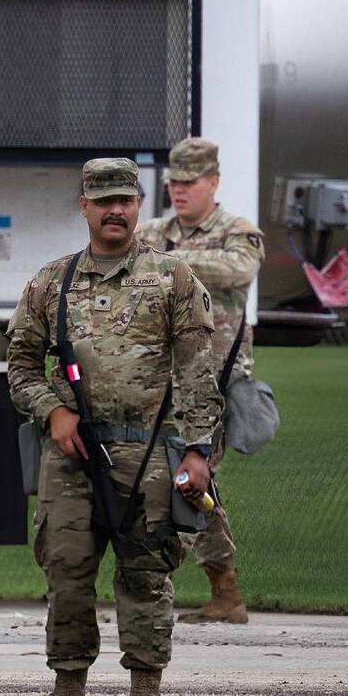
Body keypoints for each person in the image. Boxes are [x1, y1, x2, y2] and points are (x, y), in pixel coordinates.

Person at [6, 159, 222, 696]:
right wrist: (54, 412)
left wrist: (198, 451)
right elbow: (20, 368)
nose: (115, 211)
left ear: (138, 206)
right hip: (71, 456)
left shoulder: (172, 277)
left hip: (147, 452)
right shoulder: (51, 282)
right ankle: (69, 683)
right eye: (103, 201)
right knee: (67, 574)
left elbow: (197, 371)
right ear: (84, 207)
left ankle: (146, 685)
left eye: (124, 200)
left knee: (147, 577)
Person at [137, 137, 264, 624]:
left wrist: (169, 260)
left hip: (212, 383)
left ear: (213, 182)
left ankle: (151, 585)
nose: (180, 191)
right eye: (173, 182)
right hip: (159, 380)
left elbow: (239, 270)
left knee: (186, 479)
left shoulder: (238, 233)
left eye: (190, 183)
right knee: (194, 481)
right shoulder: (153, 231)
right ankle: (225, 592)